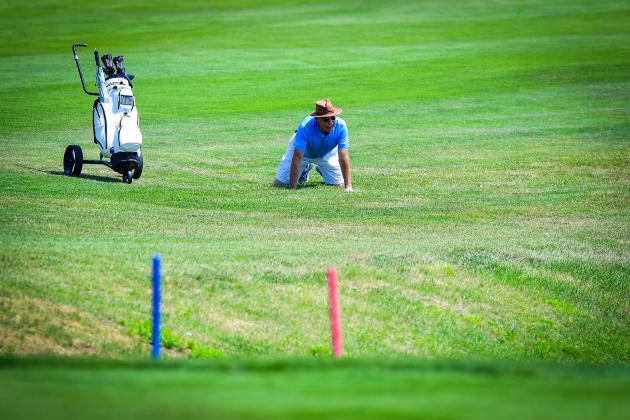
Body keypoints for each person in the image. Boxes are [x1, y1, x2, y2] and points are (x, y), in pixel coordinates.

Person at [274, 99, 354, 192]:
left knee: (340, 185)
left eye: (333, 118)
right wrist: (293, 187)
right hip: (303, 153)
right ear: (317, 119)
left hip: (326, 151)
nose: (331, 122)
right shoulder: (305, 127)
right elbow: (296, 158)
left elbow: (344, 157)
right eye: (326, 119)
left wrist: (348, 187)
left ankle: (322, 169)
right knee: (280, 184)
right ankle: (305, 168)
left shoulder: (341, 126)